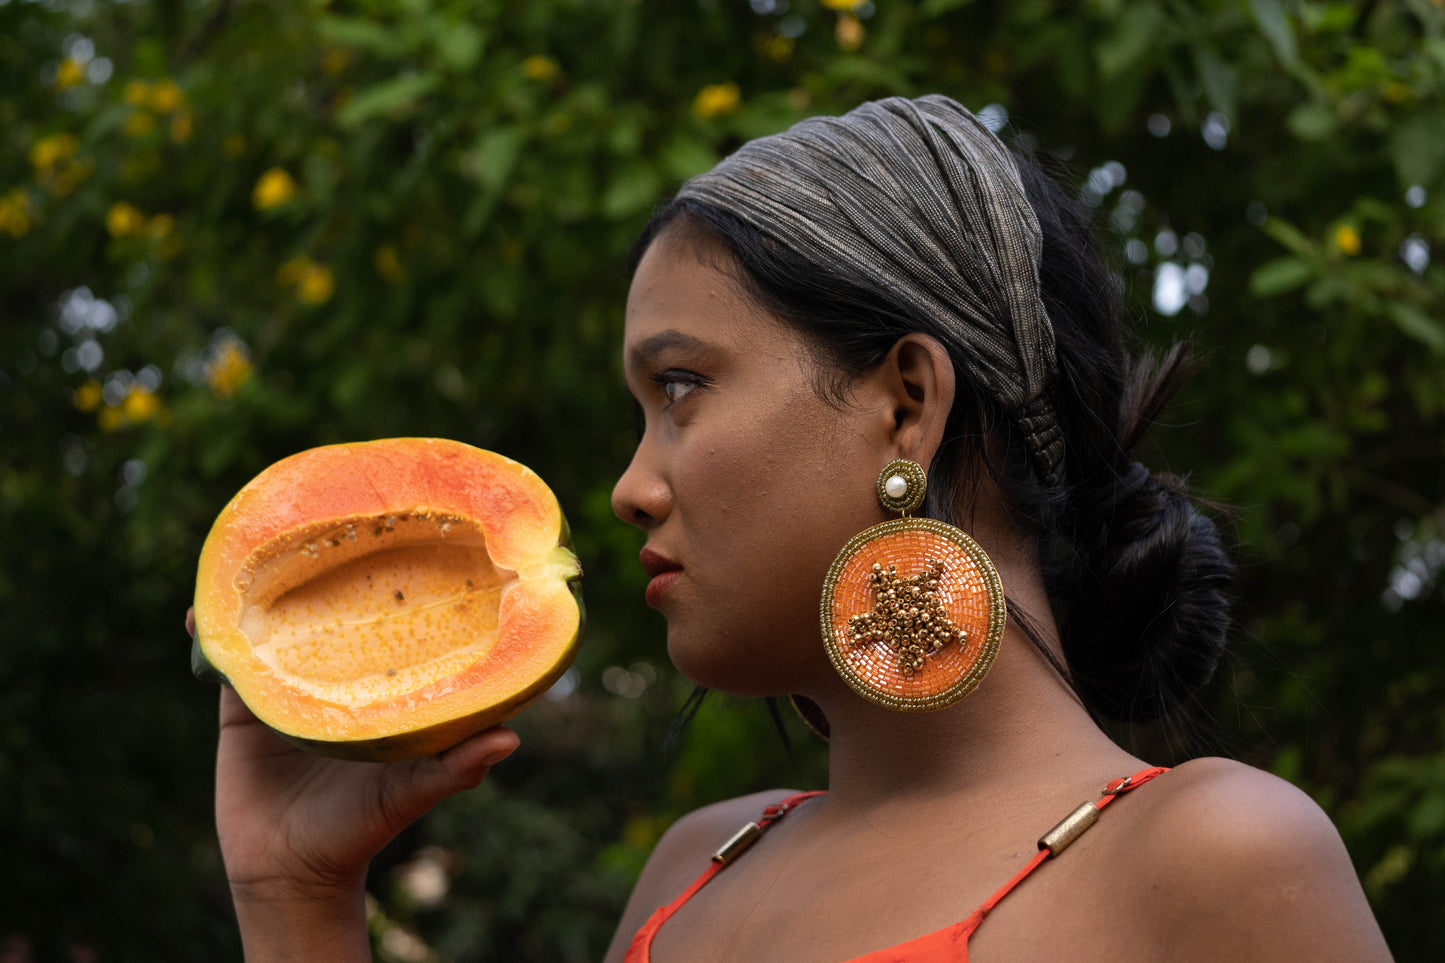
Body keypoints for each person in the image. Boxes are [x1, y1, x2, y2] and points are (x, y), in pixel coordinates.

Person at [204, 96, 1393, 961]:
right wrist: (295, 899)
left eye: (678, 389)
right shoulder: (693, 875)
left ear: (905, 402)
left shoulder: (1216, 860)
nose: (628, 488)